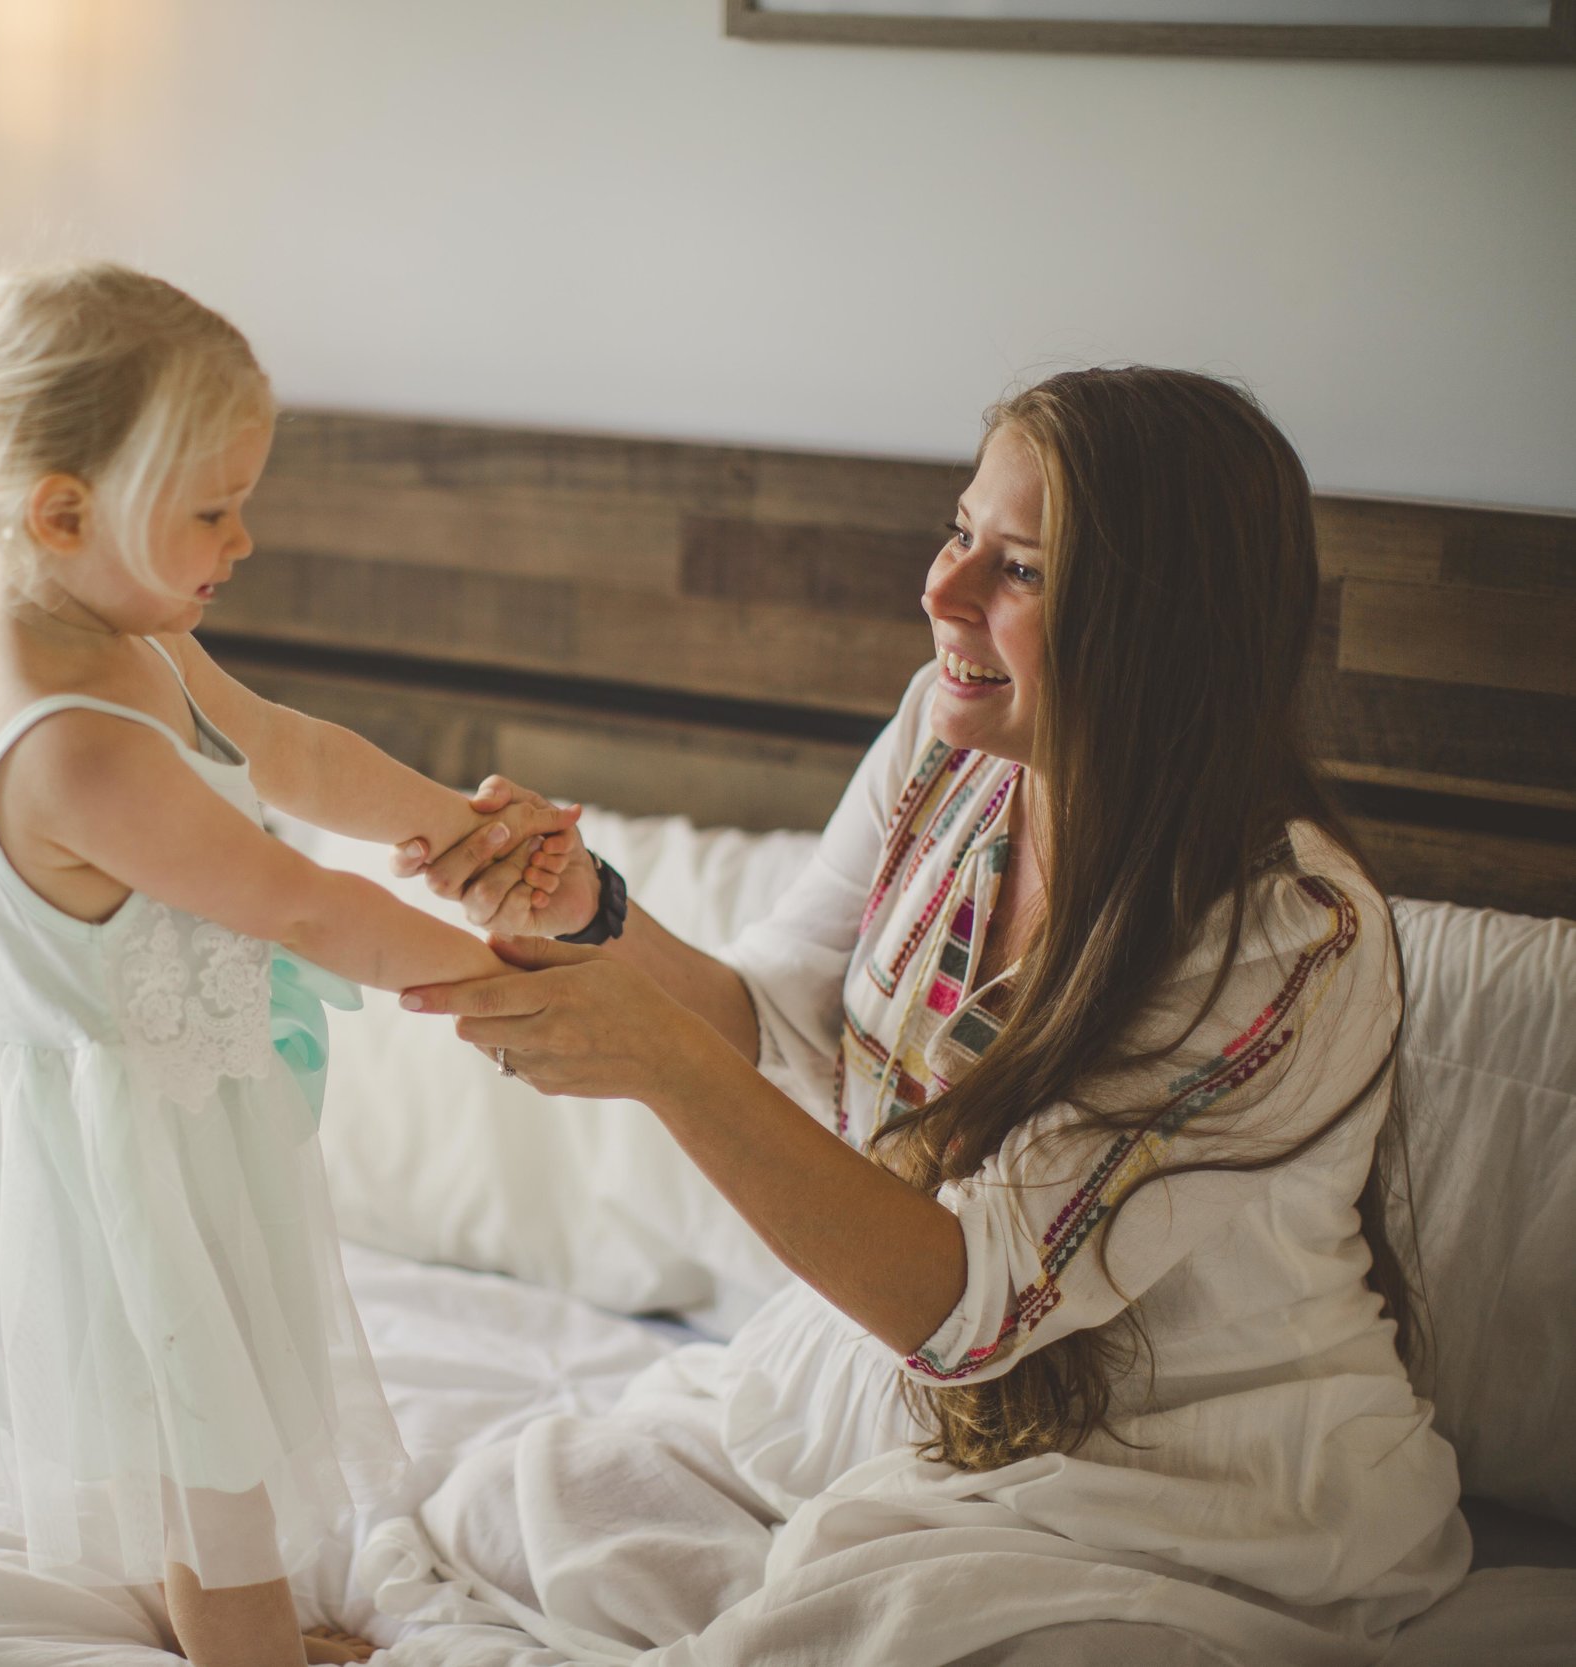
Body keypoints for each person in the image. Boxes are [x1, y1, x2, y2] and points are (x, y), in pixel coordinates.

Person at [369, 368, 1468, 1665]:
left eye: (1024, 572)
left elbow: (976, 1308)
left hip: (1181, 1481)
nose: (943, 593)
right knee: (496, 1513)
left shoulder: (1290, 935)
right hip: (884, 1403)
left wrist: (664, 1068)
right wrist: (589, 907)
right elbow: (783, 1010)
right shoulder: (946, 738)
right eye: (960, 533)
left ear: (1164, 628)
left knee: (854, 1639)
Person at [0, 262, 578, 1667]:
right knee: (209, 1435)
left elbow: (285, 754)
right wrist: (514, 985)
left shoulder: (124, 630)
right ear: (65, 510)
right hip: (103, 1144)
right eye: (215, 508)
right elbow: (297, 906)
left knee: (208, 1398)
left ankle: (234, 1616)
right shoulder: (74, 742)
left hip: (162, 1093)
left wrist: (454, 830)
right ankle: (249, 1648)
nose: (245, 539)